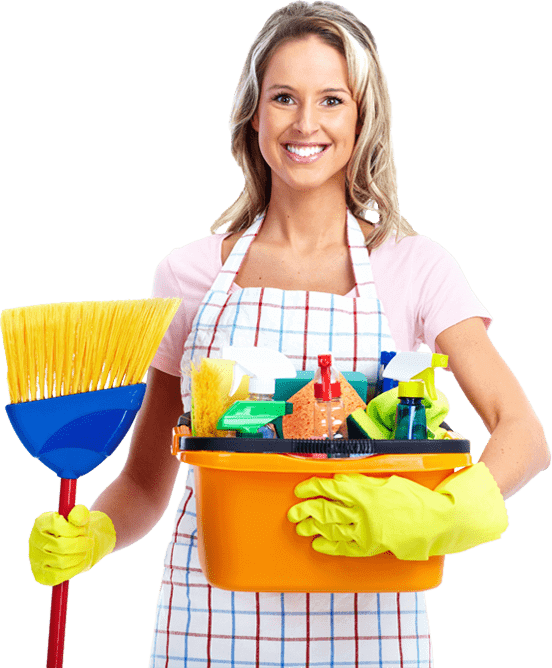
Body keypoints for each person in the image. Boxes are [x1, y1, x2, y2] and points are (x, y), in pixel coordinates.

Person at [28, 2, 550, 666]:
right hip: (211, 625)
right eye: (283, 98)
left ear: (362, 117)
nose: (306, 123)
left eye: (331, 99)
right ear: (253, 115)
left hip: (371, 629)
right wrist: (97, 532)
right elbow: (147, 484)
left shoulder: (415, 266)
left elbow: (524, 434)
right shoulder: (187, 274)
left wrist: (442, 512)